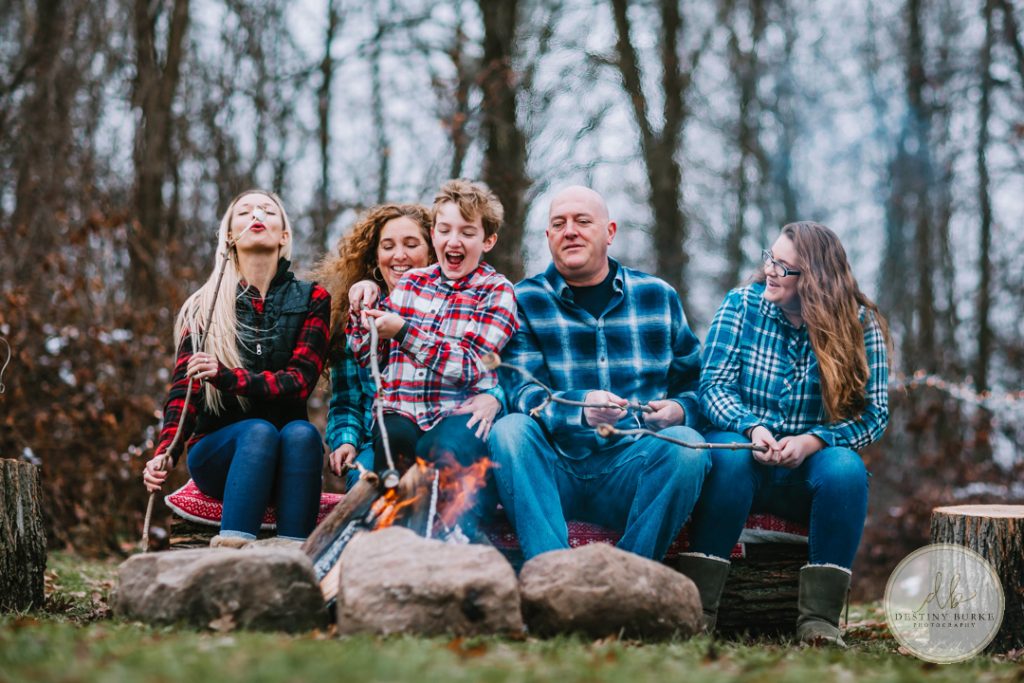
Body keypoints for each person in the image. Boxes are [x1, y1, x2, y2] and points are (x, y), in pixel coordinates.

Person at [682, 221, 890, 645]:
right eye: (770, 258)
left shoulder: (859, 324)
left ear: (814, 279)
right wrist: (752, 426)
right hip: (741, 454)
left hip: (807, 469)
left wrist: (814, 440)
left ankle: (819, 622)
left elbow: (875, 414)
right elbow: (712, 387)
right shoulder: (741, 305)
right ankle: (697, 612)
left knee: (846, 468)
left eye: (785, 266)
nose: (770, 271)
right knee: (729, 452)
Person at [487, 185, 710, 562]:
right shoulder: (524, 299)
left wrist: (678, 409)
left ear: (609, 232)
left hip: (631, 468)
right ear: (548, 237)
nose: (569, 230)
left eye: (582, 221)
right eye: (558, 223)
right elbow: (523, 393)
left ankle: (627, 575)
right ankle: (553, 577)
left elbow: (697, 384)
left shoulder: (658, 296)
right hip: (555, 469)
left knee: (688, 446)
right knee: (509, 431)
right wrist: (581, 409)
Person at [142, 189, 331, 548]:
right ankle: (232, 555)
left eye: (267, 211)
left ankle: (292, 557)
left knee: (303, 435)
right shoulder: (203, 306)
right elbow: (184, 393)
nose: (257, 215)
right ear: (229, 235)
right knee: (258, 431)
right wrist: (165, 453)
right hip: (219, 456)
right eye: (244, 212)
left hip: (289, 460)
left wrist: (226, 376)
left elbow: (300, 381)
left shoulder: (313, 299)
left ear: (284, 235)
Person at [346, 180, 518, 532]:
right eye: (445, 230)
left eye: (467, 233)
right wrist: (364, 308)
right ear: (434, 235)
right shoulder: (412, 284)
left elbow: (470, 365)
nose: (454, 241)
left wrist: (406, 333)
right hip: (402, 409)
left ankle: (451, 540)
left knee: (445, 455)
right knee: (391, 452)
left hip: (459, 412)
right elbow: (367, 355)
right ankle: (390, 541)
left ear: (488, 241)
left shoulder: (498, 292)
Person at [315, 204, 503, 490]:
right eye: (388, 246)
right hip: (376, 439)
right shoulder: (358, 313)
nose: (399, 255)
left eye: (411, 244)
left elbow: (486, 366)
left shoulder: (459, 306)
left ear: (432, 249)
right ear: (375, 256)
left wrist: (496, 396)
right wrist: (346, 441)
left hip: (442, 431)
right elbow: (347, 402)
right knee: (367, 483)